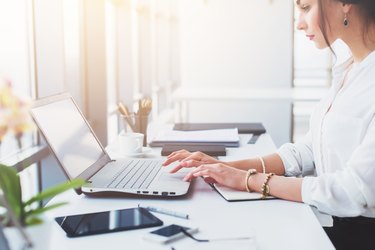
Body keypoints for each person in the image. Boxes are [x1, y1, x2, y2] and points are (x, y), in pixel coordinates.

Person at [163, 0, 375, 249]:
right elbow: (309, 151)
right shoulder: (349, 68)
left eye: (306, 7)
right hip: (336, 223)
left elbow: (353, 191)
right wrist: (225, 168)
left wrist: (248, 180)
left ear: (345, 3)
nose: (298, 23)